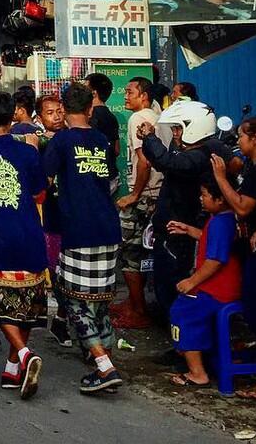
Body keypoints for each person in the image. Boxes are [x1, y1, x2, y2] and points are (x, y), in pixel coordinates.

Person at [43, 82, 123, 394]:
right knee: (101, 302)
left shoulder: (61, 141)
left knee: (76, 303)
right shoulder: (102, 140)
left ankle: (104, 366)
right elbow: (111, 180)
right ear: (90, 109)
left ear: (63, 109)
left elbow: (44, 180)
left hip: (77, 230)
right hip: (108, 227)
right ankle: (104, 360)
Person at [0, 91, 47, 399]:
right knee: (26, 303)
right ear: (14, 115)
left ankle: (21, 356)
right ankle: (14, 365)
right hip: (29, 232)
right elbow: (40, 194)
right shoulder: (28, 152)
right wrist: (34, 151)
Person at [137, 100, 233, 316]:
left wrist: (151, 137)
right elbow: (164, 162)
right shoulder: (190, 153)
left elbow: (168, 162)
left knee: (174, 288)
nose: (176, 134)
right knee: (164, 285)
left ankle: (186, 342)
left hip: (180, 233)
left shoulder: (197, 156)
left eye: (178, 128)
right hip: (173, 229)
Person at [208, 116, 256, 402]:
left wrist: (220, 179)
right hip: (252, 248)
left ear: (255, 138)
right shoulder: (254, 169)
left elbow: (242, 207)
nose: (239, 142)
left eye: (242, 136)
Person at [165, 177, 242, 388]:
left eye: (205, 195)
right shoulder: (226, 219)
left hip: (218, 290)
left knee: (182, 311)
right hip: (227, 287)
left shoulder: (219, 222)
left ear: (220, 200)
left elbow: (215, 260)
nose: (201, 199)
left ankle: (197, 372)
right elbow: (212, 242)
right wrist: (188, 230)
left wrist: (191, 281)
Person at [113, 77, 166, 330]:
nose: (125, 96)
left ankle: (138, 310)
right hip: (158, 194)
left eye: (130, 92)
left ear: (143, 95)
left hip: (145, 196)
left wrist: (134, 194)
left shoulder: (138, 119)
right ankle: (135, 304)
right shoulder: (160, 117)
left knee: (130, 254)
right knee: (145, 252)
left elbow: (143, 162)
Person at [34, 94, 71, 347]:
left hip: (75, 215)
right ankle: (61, 316)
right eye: (50, 112)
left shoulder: (74, 138)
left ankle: (63, 317)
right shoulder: (37, 143)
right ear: (40, 117)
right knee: (56, 270)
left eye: (60, 110)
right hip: (51, 215)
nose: (56, 116)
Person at [85, 73, 121, 189]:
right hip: (111, 175)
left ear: (94, 93)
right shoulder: (112, 117)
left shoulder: (90, 117)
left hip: (96, 179)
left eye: (85, 89)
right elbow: (116, 150)